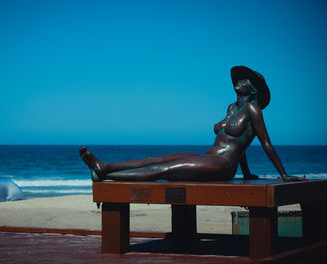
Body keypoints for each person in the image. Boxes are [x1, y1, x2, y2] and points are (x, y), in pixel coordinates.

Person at [80, 66, 304, 182]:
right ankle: (105, 166)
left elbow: (264, 143)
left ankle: (106, 175)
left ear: (253, 88)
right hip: (207, 156)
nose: (237, 81)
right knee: (155, 159)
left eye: (244, 79)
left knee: (163, 170)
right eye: (237, 78)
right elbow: (240, 142)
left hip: (222, 165)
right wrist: (246, 174)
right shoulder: (231, 108)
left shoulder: (253, 110)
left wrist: (283, 175)